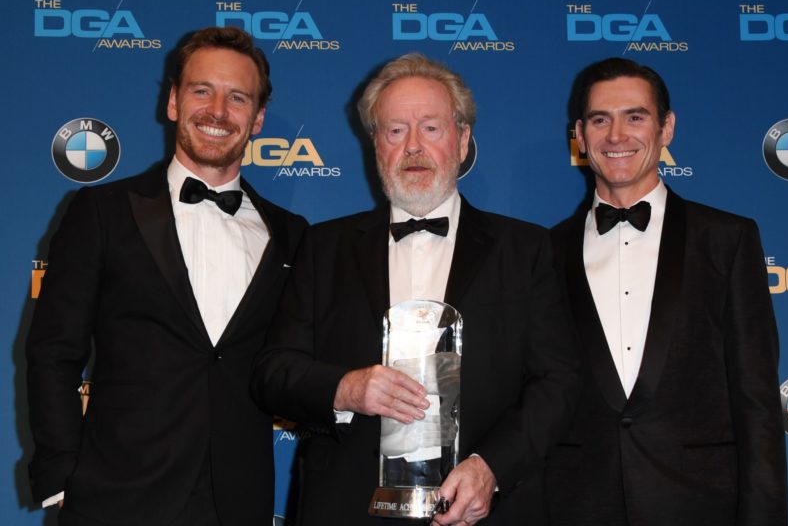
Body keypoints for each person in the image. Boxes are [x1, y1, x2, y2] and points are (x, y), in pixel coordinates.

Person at [251, 53, 581, 526]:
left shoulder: (524, 249)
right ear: (375, 144)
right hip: (347, 508)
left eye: (431, 128)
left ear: (463, 140)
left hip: (484, 511)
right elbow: (273, 372)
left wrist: (490, 469)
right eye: (395, 130)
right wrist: (346, 389)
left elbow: (558, 382)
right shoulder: (323, 246)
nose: (412, 147)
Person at [26, 26, 307, 526]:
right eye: (202, 90)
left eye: (237, 97)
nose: (218, 111)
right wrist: (61, 476)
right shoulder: (102, 211)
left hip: (239, 500)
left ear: (257, 118)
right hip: (115, 497)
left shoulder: (293, 235)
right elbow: (54, 351)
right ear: (174, 101)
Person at [547, 57, 788, 526]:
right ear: (579, 134)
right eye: (600, 119)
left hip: (701, 506)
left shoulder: (727, 239)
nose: (616, 136)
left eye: (635, 117)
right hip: (577, 506)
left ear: (667, 128)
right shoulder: (544, 252)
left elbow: (756, 402)